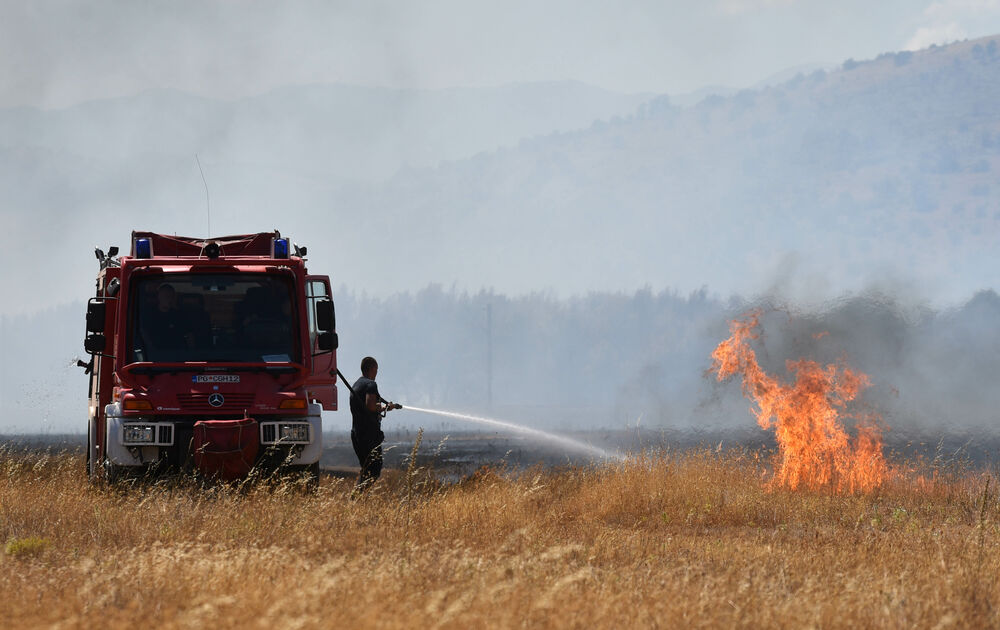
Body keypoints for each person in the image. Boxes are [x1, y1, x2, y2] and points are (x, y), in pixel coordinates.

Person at [349, 356, 400, 494]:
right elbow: (371, 406)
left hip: (357, 434)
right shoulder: (371, 385)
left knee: (366, 469)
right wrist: (382, 407)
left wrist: (383, 408)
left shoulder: (356, 385)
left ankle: (359, 499)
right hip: (368, 436)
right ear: (372, 369)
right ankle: (356, 498)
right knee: (374, 469)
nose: (377, 373)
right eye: (376, 369)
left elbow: (367, 408)